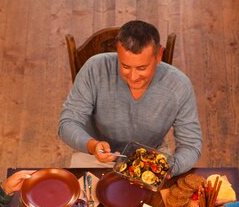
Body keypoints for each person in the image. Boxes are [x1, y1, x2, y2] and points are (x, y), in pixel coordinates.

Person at [58, 20, 202, 176]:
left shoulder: (180, 85)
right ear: (117, 53)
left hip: (150, 159)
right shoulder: (94, 68)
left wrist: (168, 169)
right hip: (95, 157)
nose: (133, 77)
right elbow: (67, 124)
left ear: (158, 55)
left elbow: (191, 145)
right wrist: (93, 146)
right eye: (125, 66)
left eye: (142, 68)